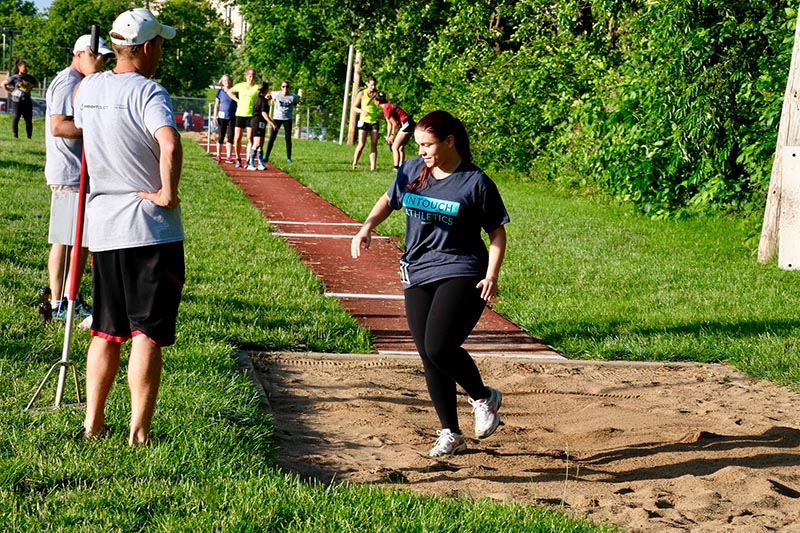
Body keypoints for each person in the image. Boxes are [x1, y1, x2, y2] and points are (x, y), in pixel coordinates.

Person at [351, 110, 509, 457]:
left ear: (449, 141)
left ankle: (483, 397)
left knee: (439, 346)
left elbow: (497, 233)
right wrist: (367, 227)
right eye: (418, 143)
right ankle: (451, 433)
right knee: (428, 354)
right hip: (417, 270)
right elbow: (389, 200)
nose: (420, 150)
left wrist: (492, 274)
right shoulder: (411, 169)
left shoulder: (475, 182)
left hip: (462, 269)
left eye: (428, 144)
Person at [74, 8, 184, 446]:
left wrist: (93, 72)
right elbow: (170, 143)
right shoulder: (150, 92)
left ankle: (93, 423)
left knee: (105, 329)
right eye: (158, 44)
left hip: (104, 227)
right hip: (149, 230)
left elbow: (84, 124)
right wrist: (166, 192)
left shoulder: (89, 88)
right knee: (147, 333)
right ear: (143, 48)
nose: (160, 51)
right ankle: (138, 433)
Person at [44, 34, 113, 321]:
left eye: (106, 58)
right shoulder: (68, 82)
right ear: (81, 53)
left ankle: (66, 295)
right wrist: (95, 125)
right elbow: (59, 127)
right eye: (98, 56)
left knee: (78, 240)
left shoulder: (80, 82)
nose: (102, 62)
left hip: (78, 173)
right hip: (70, 173)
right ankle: (61, 301)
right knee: (66, 239)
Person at [374, 92, 415, 172]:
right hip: (409, 123)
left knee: (394, 147)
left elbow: (394, 124)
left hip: (406, 124)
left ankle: (396, 167)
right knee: (400, 147)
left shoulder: (386, 108)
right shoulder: (387, 106)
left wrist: (392, 135)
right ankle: (401, 168)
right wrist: (388, 136)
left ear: (377, 102)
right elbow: (389, 124)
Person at [227, 68, 259, 168]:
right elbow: (229, 91)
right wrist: (237, 100)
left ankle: (248, 160)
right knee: (237, 138)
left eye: (253, 76)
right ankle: (238, 158)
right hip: (240, 114)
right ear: (246, 76)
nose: (251, 77)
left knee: (250, 138)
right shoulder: (240, 86)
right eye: (250, 75)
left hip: (251, 115)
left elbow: (264, 93)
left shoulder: (256, 87)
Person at [264, 80, 300, 164]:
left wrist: (296, 103)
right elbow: (268, 94)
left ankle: (289, 158)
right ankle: (266, 156)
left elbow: (298, 98)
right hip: (277, 118)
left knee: (288, 138)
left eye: (287, 86)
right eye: (283, 86)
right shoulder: (276, 94)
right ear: (281, 87)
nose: (285, 88)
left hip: (288, 119)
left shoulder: (292, 96)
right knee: (272, 138)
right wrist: (269, 98)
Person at [351, 76, 381, 171]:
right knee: (361, 143)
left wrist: (380, 114)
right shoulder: (362, 94)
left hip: (374, 122)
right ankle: (355, 163)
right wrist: (361, 111)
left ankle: (373, 167)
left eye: (374, 85)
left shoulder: (378, 94)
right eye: (371, 85)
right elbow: (354, 107)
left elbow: (385, 106)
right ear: (367, 84)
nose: (373, 87)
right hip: (364, 121)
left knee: (374, 143)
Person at [3, 60, 38, 139]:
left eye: (26, 67)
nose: (25, 69)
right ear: (19, 67)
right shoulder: (15, 77)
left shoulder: (29, 77)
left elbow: (36, 83)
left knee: (28, 119)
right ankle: (15, 136)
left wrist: (31, 86)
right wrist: (11, 92)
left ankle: (29, 137)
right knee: (16, 117)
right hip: (17, 101)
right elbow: (3, 84)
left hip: (27, 100)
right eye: (24, 67)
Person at [247, 82, 273, 170]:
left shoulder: (262, 100)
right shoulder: (260, 100)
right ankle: (250, 162)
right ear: (265, 90)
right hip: (257, 122)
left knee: (261, 143)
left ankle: (260, 162)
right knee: (257, 143)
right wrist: (272, 123)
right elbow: (263, 113)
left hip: (261, 123)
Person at [213, 74, 237, 163]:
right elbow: (217, 105)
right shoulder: (219, 92)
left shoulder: (234, 92)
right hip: (222, 117)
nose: (227, 82)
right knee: (221, 136)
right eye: (225, 81)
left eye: (228, 80)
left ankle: (229, 156)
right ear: (222, 82)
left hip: (232, 117)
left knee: (230, 136)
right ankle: (218, 155)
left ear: (230, 81)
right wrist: (215, 115)